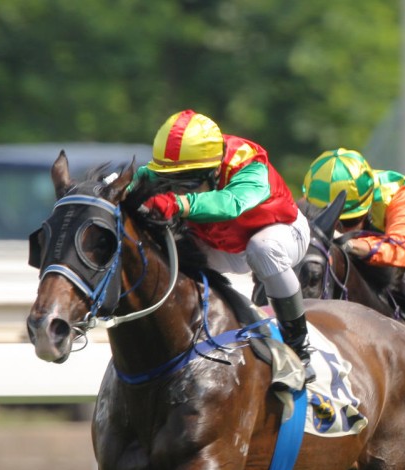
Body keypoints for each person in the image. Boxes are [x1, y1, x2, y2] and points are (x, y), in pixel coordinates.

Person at [135, 109, 315, 383]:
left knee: (262, 249)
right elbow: (130, 185)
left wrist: (178, 204)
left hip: (281, 233)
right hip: (217, 243)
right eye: (171, 182)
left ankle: (299, 347)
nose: (180, 190)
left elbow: (231, 204)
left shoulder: (252, 166)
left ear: (216, 168)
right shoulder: (172, 168)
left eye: (190, 183)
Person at [301, 148, 405, 309]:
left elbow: (402, 249)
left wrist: (351, 244)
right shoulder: (311, 200)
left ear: (368, 206)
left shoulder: (397, 194)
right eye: (330, 221)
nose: (342, 231)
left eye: (351, 221)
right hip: (377, 250)